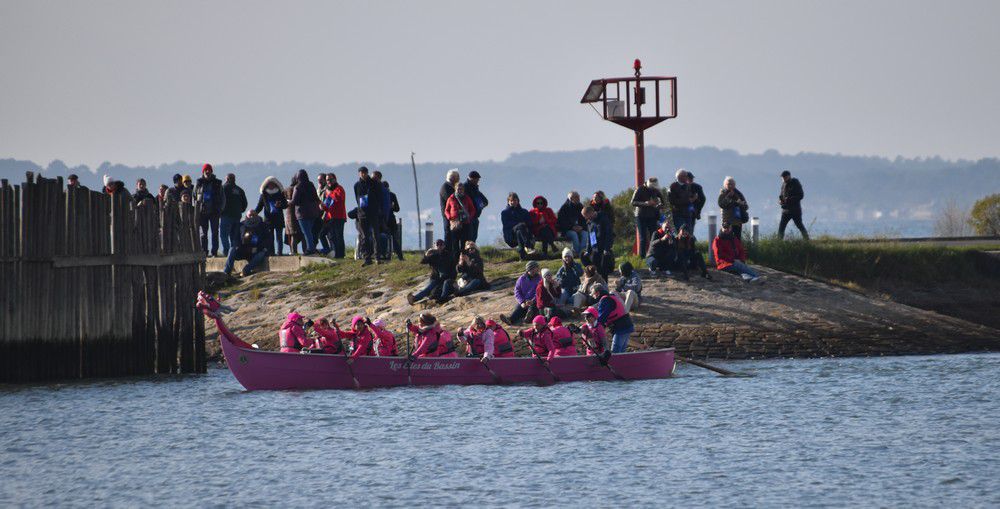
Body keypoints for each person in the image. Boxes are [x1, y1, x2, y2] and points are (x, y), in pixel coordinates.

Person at [407, 239, 456, 304]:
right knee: (429, 290)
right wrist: (427, 253)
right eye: (437, 245)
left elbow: (453, 268)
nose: (439, 246)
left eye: (441, 244)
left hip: (445, 279)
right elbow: (422, 261)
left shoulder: (448, 255)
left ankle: (415, 298)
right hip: (435, 278)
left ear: (444, 246)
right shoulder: (433, 255)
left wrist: (452, 278)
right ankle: (414, 299)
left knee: (432, 292)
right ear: (434, 246)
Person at [223, 209, 270, 277]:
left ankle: (245, 270)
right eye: (250, 215)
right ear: (247, 216)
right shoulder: (241, 225)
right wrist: (238, 246)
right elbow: (236, 239)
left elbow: (267, 239)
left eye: (253, 215)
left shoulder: (263, 225)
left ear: (257, 215)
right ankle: (226, 272)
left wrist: (258, 248)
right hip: (243, 249)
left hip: (256, 250)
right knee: (232, 249)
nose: (252, 217)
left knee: (261, 254)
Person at [592, 284, 634, 353]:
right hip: (628, 325)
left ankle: (616, 363)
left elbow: (602, 316)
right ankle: (622, 363)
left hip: (621, 328)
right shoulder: (611, 297)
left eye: (593, 294)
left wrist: (595, 327)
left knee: (615, 352)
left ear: (597, 293)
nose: (593, 297)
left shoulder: (605, 300)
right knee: (622, 351)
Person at [195, 164, 225, 256]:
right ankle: (204, 252)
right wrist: (195, 210)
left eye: (209, 170)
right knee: (203, 234)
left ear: (212, 171)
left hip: (214, 212)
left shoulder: (217, 183)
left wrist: (220, 209)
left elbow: (223, 198)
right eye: (205, 170)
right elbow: (194, 197)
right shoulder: (198, 183)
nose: (207, 172)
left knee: (215, 233)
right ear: (203, 172)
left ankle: (214, 252)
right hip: (202, 212)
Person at [254, 176, 288, 256]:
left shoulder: (280, 193)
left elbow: (285, 205)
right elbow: (259, 206)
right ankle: (271, 253)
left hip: (278, 218)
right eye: (269, 184)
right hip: (268, 219)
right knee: (270, 237)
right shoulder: (264, 194)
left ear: (276, 184)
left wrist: (280, 205)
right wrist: (254, 213)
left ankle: (279, 252)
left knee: (279, 237)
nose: (271, 185)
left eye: (272, 184)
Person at [290, 169, 321, 255]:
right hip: (313, 212)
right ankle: (311, 247)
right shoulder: (311, 185)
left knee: (306, 232)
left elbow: (295, 201)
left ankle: (310, 249)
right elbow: (316, 197)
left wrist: (289, 201)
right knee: (309, 231)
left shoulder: (298, 187)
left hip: (302, 213)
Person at [353, 166, 380, 265]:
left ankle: (377, 256)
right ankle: (367, 257)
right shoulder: (357, 185)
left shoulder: (373, 183)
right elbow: (357, 199)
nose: (363, 174)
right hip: (362, 214)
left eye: (365, 172)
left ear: (367, 173)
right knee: (364, 236)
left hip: (373, 213)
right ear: (359, 173)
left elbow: (378, 197)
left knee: (375, 235)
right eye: (361, 172)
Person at [631, 178, 664, 258]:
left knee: (654, 235)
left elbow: (662, 201)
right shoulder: (640, 189)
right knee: (643, 237)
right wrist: (646, 203)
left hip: (652, 216)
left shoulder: (656, 190)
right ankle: (642, 257)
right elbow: (633, 202)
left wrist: (659, 205)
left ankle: (653, 255)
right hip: (640, 216)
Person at [501, 261, 541, 325]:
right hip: (524, 301)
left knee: (532, 308)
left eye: (536, 268)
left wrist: (533, 300)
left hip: (534, 301)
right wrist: (522, 302)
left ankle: (528, 318)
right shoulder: (521, 279)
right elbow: (517, 291)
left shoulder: (539, 279)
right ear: (528, 269)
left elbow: (540, 292)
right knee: (519, 308)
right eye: (533, 269)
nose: (535, 270)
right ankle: (510, 319)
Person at [445, 182, 475, 263]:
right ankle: (455, 262)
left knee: (464, 243)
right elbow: (446, 210)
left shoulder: (467, 198)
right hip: (455, 224)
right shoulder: (451, 198)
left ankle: (464, 261)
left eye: (461, 189)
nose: (459, 190)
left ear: (463, 190)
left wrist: (469, 217)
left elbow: (472, 209)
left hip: (465, 224)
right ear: (455, 189)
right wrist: (450, 218)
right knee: (455, 244)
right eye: (458, 189)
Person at [582, 205, 615, 280]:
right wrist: (588, 250)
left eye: (586, 216)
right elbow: (589, 238)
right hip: (595, 249)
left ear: (591, 213)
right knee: (595, 269)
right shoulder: (589, 223)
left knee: (603, 270)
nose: (586, 218)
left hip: (603, 249)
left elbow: (608, 234)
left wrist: (607, 248)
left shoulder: (603, 218)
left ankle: (604, 287)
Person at [220, 173, 248, 256]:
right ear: (234, 179)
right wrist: (240, 211)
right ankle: (233, 253)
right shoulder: (239, 190)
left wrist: (220, 211)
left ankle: (227, 252)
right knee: (234, 236)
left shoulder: (223, 188)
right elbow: (245, 203)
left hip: (225, 215)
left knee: (224, 235)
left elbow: (219, 201)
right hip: (237, 216)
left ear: (227, 179)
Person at [500, 192, 533, 259]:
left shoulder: (524, 211)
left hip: (523, 233)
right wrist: (519, 224)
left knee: (519, 232)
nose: (513, 202)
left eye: (514, 200)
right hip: (511, 235)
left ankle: (522, 256)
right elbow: (507, 224)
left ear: (518, 201)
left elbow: (529, 222)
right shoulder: (505, 213)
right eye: (511, 201)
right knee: (520, 226)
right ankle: (528, 246)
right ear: (508, 202)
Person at [778, 170, 810, 240]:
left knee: (799, 225)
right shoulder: (783, 185)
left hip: (795, 210)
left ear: (789, 176)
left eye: (784, 177)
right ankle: (778, 242)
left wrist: (789, 199)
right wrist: (781, 201)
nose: (783, 179)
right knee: (781, 227)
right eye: (782, 178)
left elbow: (801, 195)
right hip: (785, 210)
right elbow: (781, 195)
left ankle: (807, 240)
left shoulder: (795, 182)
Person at [322, 173, 348, 258]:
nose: (328, 181)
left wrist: (329, 193)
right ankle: (333, 252)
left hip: (339, 217)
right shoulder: (327, 191)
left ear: (335, 179)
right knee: (330, 236)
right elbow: (328, 205)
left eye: (330, 179)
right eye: (327, 180)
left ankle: (340, 255)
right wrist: (322, 206)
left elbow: (338, 199)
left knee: (338, 236)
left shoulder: (339, 189)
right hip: (330, 217)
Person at [557, 191, 587, 255]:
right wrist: (572, 227)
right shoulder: (564, 208)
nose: (578, 198)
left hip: (579, 229)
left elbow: (585, 220)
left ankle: (581, 253)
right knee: (574, 234)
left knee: (585, 233)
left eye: (579, 197)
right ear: (570, 198)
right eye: (576, 197)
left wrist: (582, 227)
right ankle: (576, 253)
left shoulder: (580, 207)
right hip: (567, 230)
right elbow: (561, 222)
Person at [371, 170, 390, 261]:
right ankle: (379, 253)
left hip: (379, 217)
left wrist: (383, 218)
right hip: (377, 216)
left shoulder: (382, 190)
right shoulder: (376, 188)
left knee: (378, 235)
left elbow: (385, 206)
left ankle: (379, 253)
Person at [464, 171, 488, 242]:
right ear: (472, 178)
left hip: (475, 216)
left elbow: (485, 201)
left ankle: (472, 252)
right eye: (477, 179)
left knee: (474, 237)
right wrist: (478, 207)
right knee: (469, 238)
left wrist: (479, 207)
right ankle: (467, 252)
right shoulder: (465, 188)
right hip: (468, 217)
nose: (478, 181)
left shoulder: (475, 188)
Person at [667, 169, 693, 233]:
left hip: (687, 213)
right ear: (680, 177)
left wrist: (692, 210)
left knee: (689, 231)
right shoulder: (673, 186)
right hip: (678, 213)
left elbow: (690, 198)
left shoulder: (687, 186)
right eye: (685, 176)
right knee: (681, 230)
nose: (687, 178)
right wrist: (687, 200)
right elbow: (672, 201)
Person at [382, 181, 403, 260]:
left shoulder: (380, 195)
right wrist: (392, 207)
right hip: (391, 218)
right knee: (395, 238)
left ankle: (385, 255)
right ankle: (399, 256)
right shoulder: (392, 195)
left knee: (385, 237)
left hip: (383, 219)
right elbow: (397, 209)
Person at [439, 169, 461, 237]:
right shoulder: (445, 187)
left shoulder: (453, 187)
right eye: (457, 177)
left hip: (455, 216)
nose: (458, 179)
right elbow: (452, 201)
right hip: (449, 216)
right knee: (449, 234)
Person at [282, 182, 302, 255]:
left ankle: (293, 251)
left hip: (288, 214)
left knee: (292, 234)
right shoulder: (297, 189)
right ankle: (296, 251)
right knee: (297, 234)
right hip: (297, 213)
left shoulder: (285, 190)